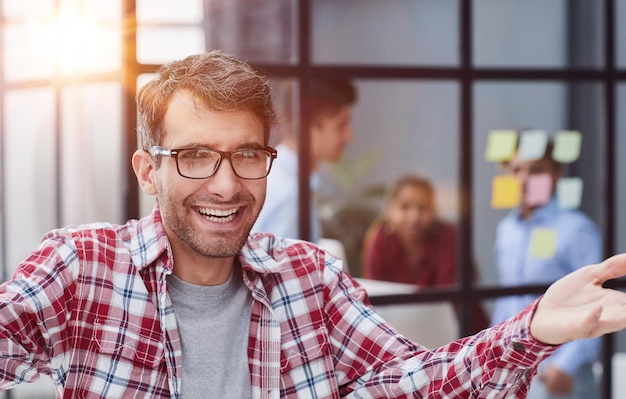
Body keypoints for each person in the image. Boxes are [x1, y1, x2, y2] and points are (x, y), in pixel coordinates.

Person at [1, 50, 626, 398]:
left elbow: (412, 382)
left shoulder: (309, 276)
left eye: (247, 155)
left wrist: (535, 328)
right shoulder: (82, 268)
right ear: (147, 169)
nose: (226, 184)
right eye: (194, 157)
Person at [491, 134, 603, 399]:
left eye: (536, 170)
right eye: (516, 170)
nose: (523, 178)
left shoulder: (576, 229)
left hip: (560, 377)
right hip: (516, 372)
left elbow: (600, 301)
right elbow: (507, 299)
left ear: (556, 174)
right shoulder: (506, 230)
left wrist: (567, 365)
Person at [362, 174, 490, 334]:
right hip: (400, 335)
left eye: (422, 208)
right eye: (404, 207)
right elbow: (376, 300)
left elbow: (449, 302)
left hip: (459, 332)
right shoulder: (379, 239)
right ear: (390, 211)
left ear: (434, 211)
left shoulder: (449, 237)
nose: (414, 216)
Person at [252, 77, 357, 243]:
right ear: (307, 129)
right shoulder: (292, 195)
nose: (349, 137)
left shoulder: (272, 174)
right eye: (340, 125)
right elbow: (285, 268)